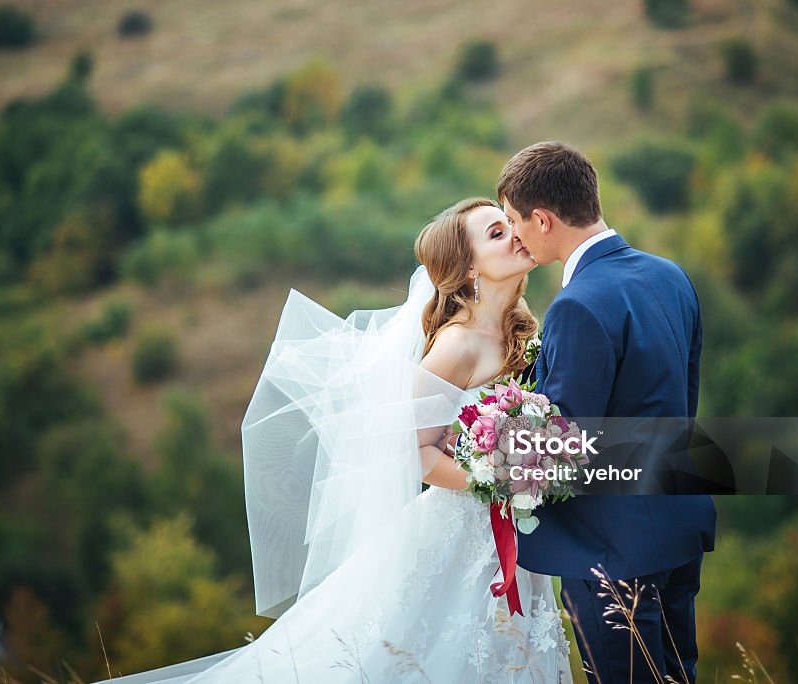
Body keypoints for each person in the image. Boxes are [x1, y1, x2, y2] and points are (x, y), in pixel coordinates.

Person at [93, 198, 573, 684]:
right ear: (467, 266)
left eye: (510, 224)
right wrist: (496, 477)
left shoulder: (521, 331)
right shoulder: (458, 344)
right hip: (465, 535)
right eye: (496, 232)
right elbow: (411, 451)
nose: (515, 233)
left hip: (511, 535)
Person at [498, 141, 717, 683]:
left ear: (542, 219)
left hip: (609, 547)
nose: (515, 235)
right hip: (676, 524)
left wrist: (487, 457)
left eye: (513, 221)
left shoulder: (577, 305)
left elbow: (562, 446)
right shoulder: (670, 276)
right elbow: (683, 405)